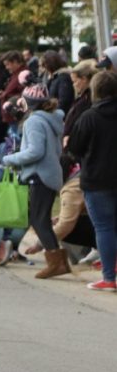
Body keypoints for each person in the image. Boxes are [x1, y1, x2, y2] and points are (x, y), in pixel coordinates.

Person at [2, 84, 67, 279]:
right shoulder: (53, 119)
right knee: (41, 219)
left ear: (27, 102)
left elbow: (35, 151)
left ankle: (56, 263)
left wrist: (10, 159)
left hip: (39, 175)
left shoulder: (34, 121)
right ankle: (59, 261)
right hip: (50, 173)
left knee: (39, 220)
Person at [67, 70, 117, 291]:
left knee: (104, 227)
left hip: (96, 178)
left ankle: (109, 276)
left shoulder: (89, 116)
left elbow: (75, 149)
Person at [41, 50, 74, 115]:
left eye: (45, 66)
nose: (44, 69)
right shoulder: (54, 76)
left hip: (58, 116)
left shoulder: (64, 77)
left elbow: (64, 102)